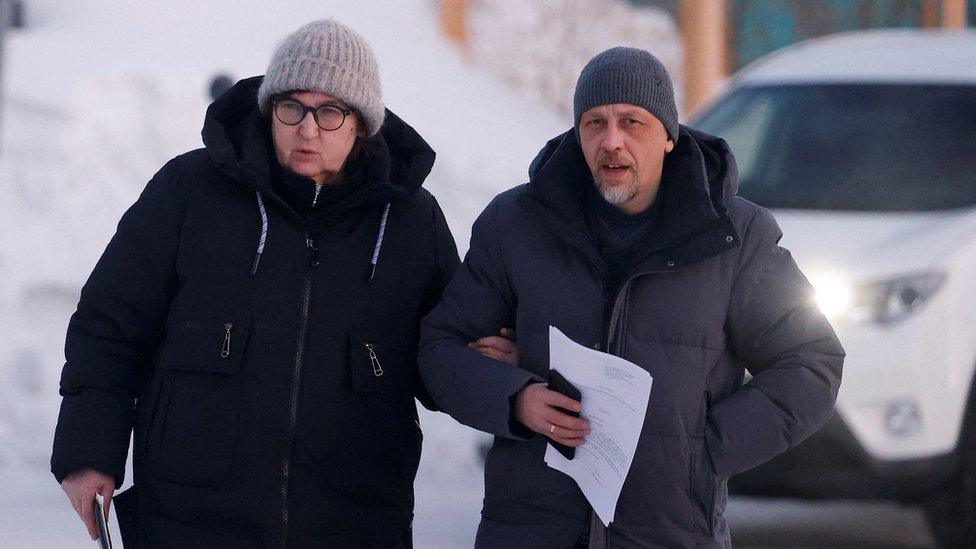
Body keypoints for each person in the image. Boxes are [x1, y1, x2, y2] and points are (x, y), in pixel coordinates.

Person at [51, 19, 477, 547]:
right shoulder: (189, 194)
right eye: (291, 107)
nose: (307, 129)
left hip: (355, 525)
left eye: (330, 112)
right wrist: (89, 452)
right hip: (190, 522)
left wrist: (494, 364)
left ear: (361, 126)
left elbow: (447, 353)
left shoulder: (411, 222)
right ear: (269, 108)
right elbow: (109, 325)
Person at [419, 46, 845, 548]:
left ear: (668, 135)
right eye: (594, 123)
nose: (611, 141)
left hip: (669, 532)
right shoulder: (517, 224)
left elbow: (812, 362)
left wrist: (702, 452)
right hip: (533, 527)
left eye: (632, 122)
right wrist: (516, 398)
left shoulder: (734, 236)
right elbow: (439, 349)